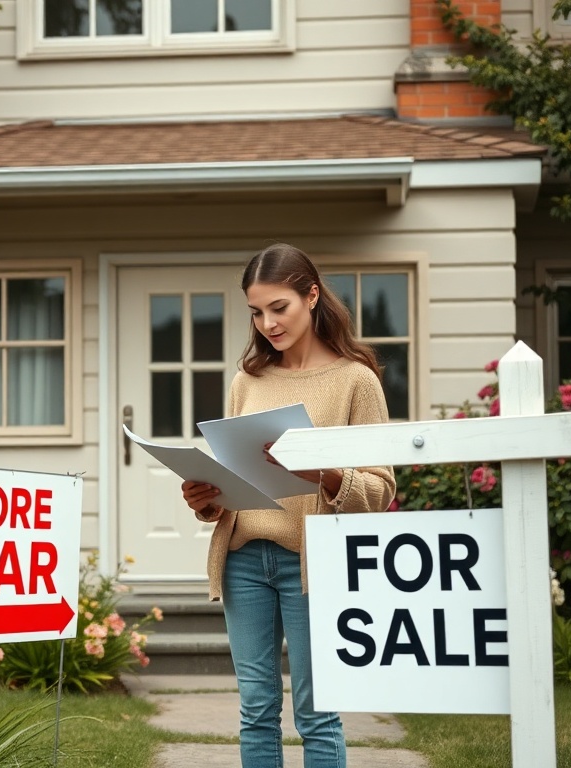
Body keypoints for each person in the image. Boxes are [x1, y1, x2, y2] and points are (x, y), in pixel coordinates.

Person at [181, 243, 396, 768]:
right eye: (256, 312)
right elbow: (234, 475)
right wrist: (205, 499)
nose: (268, 323)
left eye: (279, 308)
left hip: (313, 565)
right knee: (255, 710)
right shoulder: (247, 380)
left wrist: (320, 473)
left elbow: (382, 488)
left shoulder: (355, 379)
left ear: (312, 295)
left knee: (317, 712)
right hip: (244, 561)